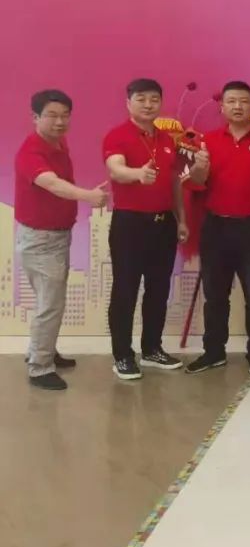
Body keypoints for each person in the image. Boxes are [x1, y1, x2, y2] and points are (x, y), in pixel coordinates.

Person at [185, 82, 250, 376]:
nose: (238, 106)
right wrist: (199, 167)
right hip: (216, 227)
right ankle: (214, 352)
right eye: (231, 101)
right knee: (215, 296)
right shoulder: (209, 141)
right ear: (222, 107)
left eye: (243, 101)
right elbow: (196, 183)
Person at [14, 90, 108, 390]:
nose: (59, 122)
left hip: (56, 234)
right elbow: (52, 184)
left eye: (65, 115)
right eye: (52, 115)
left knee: (50, 301)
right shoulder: (31, 152)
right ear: (35, 117)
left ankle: (43, 350)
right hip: (41, 239)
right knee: (50, 304)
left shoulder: (58, 143)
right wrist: (88, 196)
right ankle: (40, 367)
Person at [103, 78, 188, 380]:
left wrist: (182, 219)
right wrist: (137, 174)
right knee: (125, 290)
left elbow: (174, 182)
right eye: (141, 99)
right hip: (130, 224)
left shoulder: (166, 139)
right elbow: (115, 169)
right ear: (128, 103)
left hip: (163, 224)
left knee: (159, 289)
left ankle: (152, 348)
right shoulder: (118, 136)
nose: (148, 105)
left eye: (154, 99)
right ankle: (122, 356)